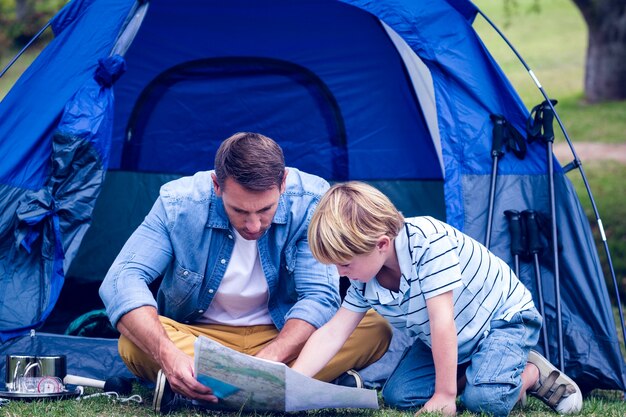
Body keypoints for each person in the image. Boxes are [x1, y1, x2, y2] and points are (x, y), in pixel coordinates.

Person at [99, 133, 391, 413]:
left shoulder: (311, 200)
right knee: (134, 340)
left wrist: (270, 359)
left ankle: (200, 390)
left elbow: (319, 297)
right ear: (217, 185)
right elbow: (121, 280)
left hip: (280, 337)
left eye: (265, 209)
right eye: (239, 211)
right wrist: (168, 354)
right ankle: (298, 387)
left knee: (375, 329)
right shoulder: (178, 203)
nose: (253, 225)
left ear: (283, 183)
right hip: (200, 338)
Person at [292, 181, 583, 417]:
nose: (341, 273)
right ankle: (485, 370)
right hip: (453, 338)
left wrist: (445, 396)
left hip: (502, 322)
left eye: (345, 263)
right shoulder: (364, 279)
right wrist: (291, 384)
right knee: (400, 395)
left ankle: (530, 371)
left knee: (486, 402)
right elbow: (333, 333)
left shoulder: (428, 243)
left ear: (381, 244)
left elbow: (442, 322)